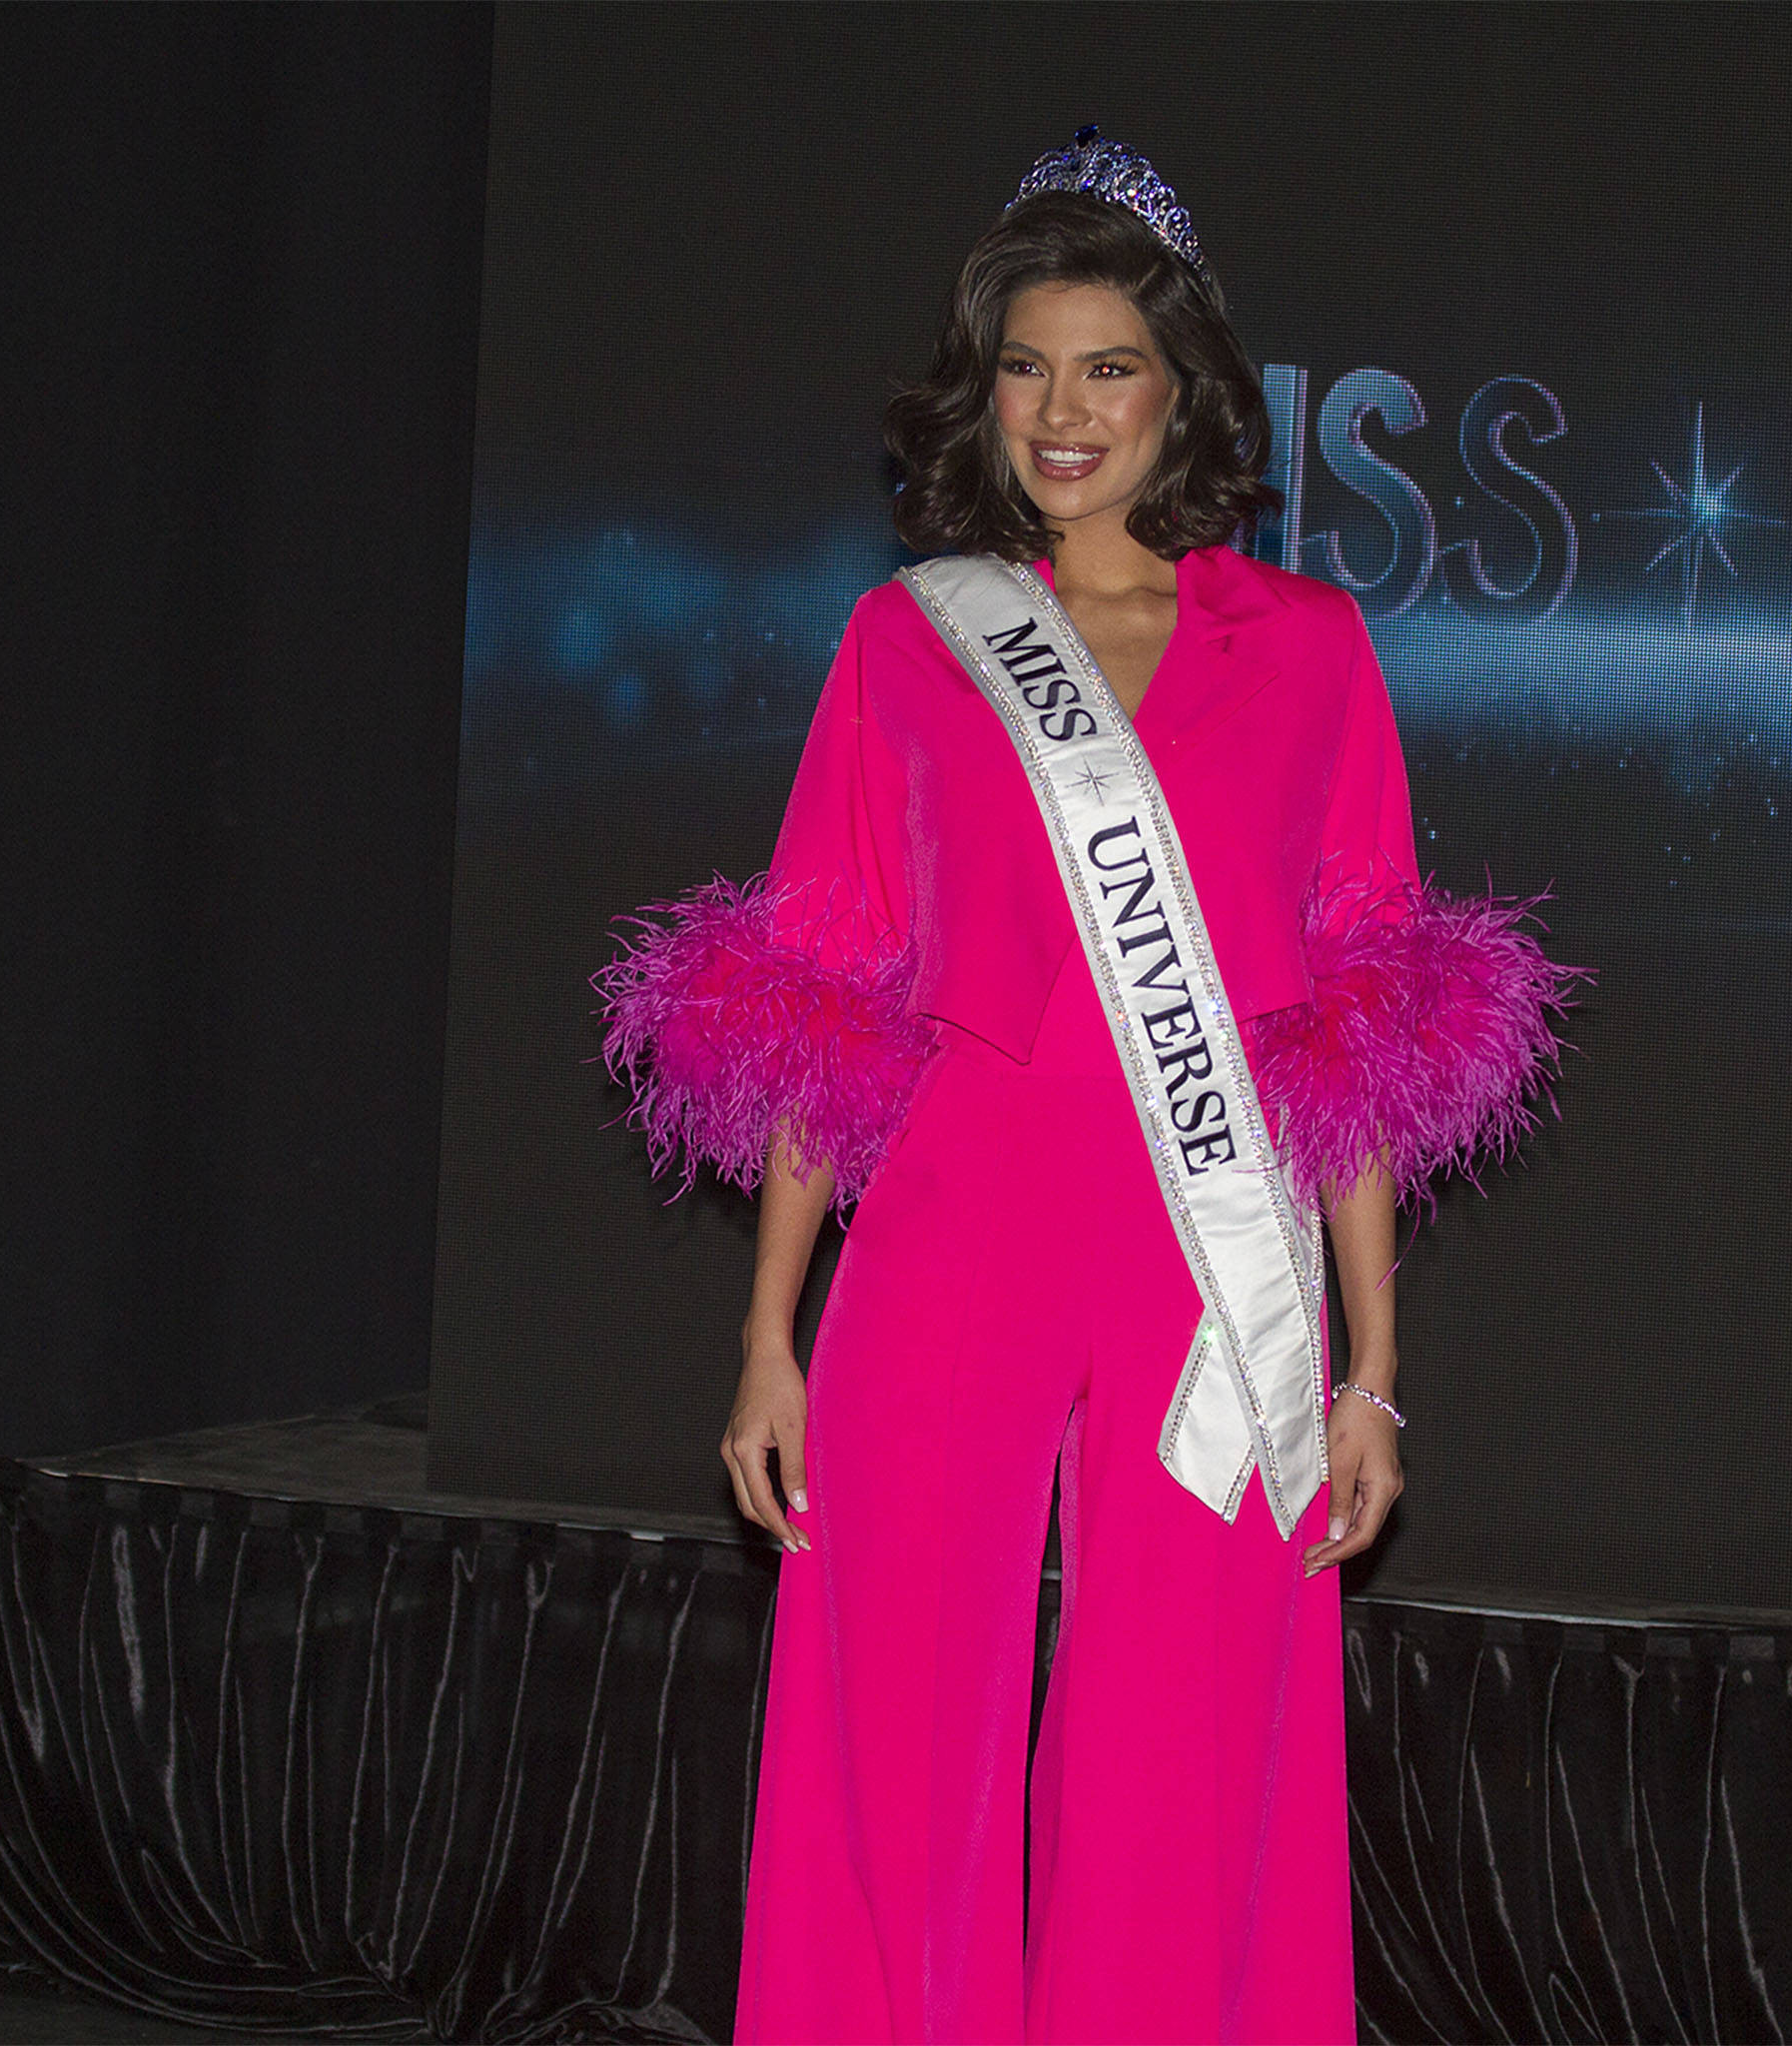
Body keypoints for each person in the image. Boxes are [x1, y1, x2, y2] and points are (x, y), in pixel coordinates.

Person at [596, 129, 1583, 2046]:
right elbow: (819, 1006)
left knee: (1183, 1750)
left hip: (1206, 1272)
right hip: (952, 1230)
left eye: (1109, 368)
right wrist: (768, 1336)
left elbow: (1359, 1036)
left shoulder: (1309, 652)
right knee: (897, 1730)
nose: (1063, 414)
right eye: (1028, 368)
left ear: (1181, 391)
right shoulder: (912, 643)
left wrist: (1372, 1370)